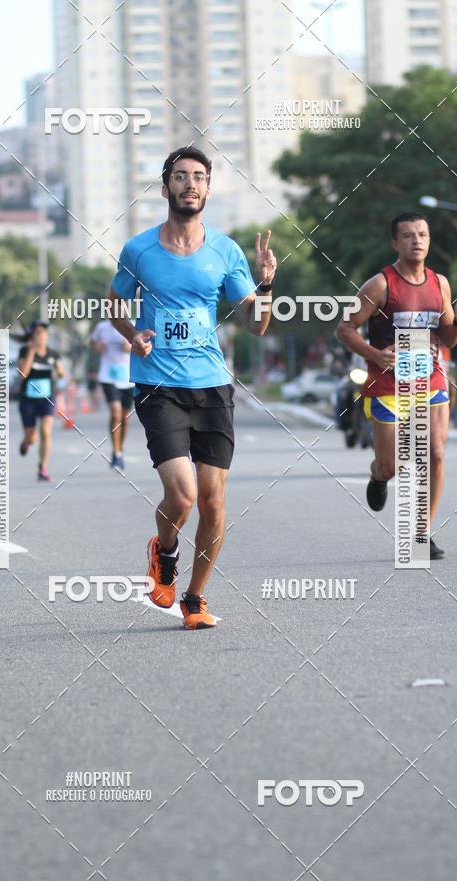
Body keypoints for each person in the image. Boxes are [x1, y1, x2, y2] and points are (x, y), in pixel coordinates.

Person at [108, 146, 275, 629]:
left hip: (213, 387)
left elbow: (255, 324)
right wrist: (130, 334)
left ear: (208, 188)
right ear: (165, 189)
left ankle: (195, 599)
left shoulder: (226, 251)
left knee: (214, 501)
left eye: (199, 177)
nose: (190, 184)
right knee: (180, 496)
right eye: (180, 177)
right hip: (157, 385)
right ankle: (164, 552)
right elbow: (115, 302)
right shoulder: (139, 249)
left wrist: (264, 288)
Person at [336, 211, 457, 560]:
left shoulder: (438, 283)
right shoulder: (380, 285)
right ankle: (378, 475)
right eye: (408, 236)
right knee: (391, 465)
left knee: (436, 453)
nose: (417, 241)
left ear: (429, 239)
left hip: (430, 379)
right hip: (388, 386)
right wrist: (374, 355)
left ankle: (422, 533)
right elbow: (345, 328)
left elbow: (450, 339)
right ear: (396, 242)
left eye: (422, 234)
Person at [17, 321, 65, 482]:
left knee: (46, 431)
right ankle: (26, 442)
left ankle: (42, 467)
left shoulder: (53, 354)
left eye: (43, 333)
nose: (41, 336)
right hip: (28, 399)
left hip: (46, 398)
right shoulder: (24, 351)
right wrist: (31, 351)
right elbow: (22, 374)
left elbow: (62, 374)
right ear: (32, 336)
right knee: (31, 437)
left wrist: (60, 372)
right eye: (37, 333)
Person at [90, 317, 134, 469]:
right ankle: (116, 452)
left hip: (129, 377)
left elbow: (144, 346)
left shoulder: (133, 325)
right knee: (115, 413)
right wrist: (97, 346)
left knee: (124, 417)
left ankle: (120, 449)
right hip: (108, 376)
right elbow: (92, 342)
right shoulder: (102, 327)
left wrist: (130, 346)